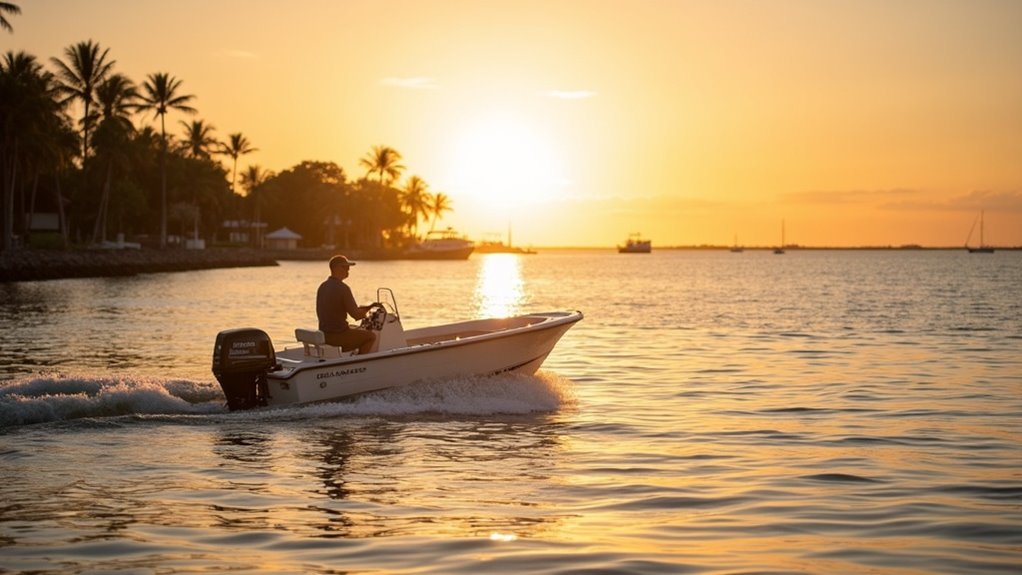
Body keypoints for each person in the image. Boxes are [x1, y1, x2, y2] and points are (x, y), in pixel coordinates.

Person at [316, 255, 377, 355]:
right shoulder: (343, 288)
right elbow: (356, 315)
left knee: (355, 329)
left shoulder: (322, 286)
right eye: (346, 267)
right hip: (338, 336)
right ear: (337, 268)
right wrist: (369, 308)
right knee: (371, 336)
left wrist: (363, 309)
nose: (348, 270)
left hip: (325, 334)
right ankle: (361, 364)